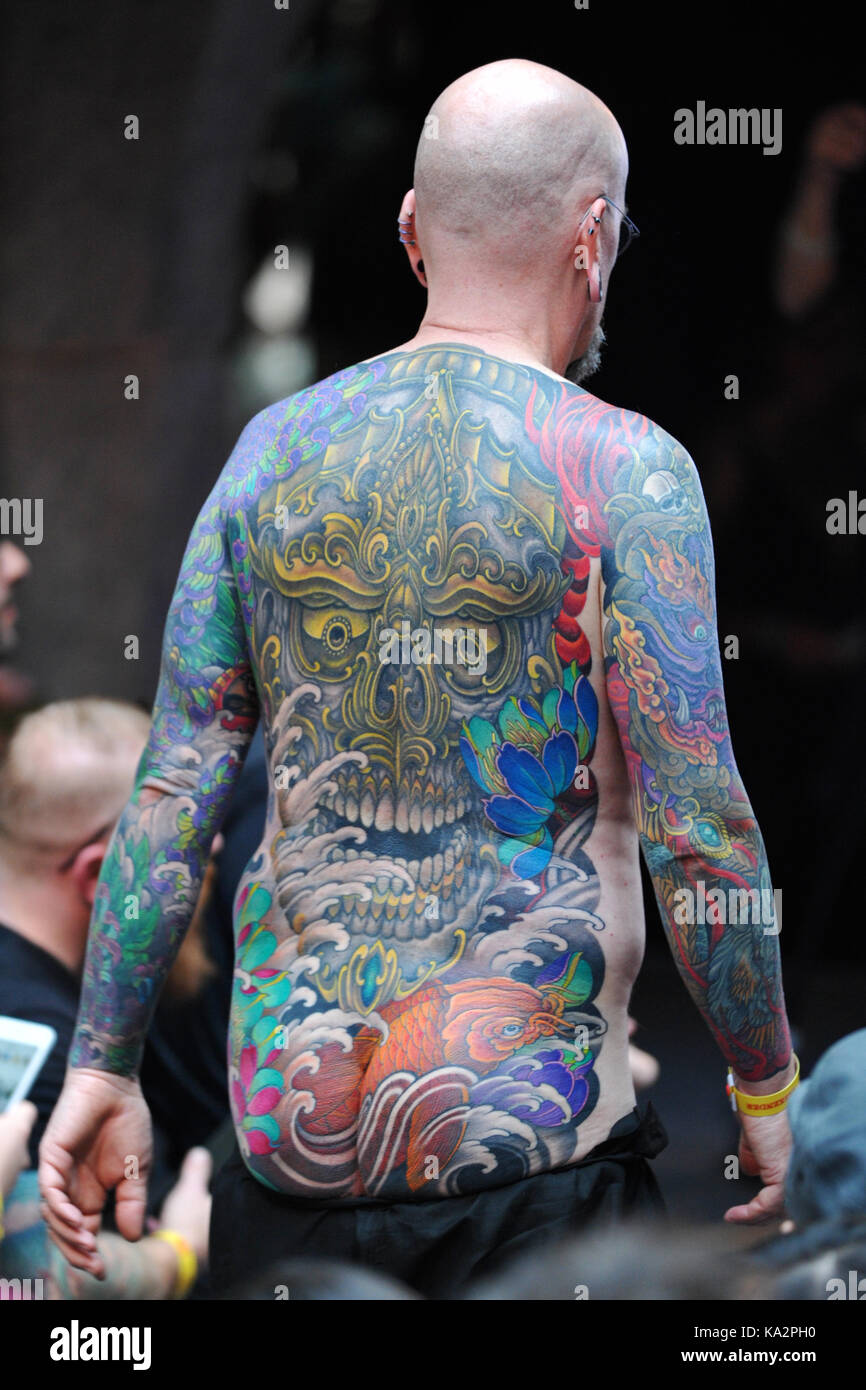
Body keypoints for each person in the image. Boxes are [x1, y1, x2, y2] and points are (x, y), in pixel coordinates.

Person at [40, 59, 797, 1298]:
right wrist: (761, 1080)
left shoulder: (269, 453)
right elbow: (699, 827)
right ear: (591, 236)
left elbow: (174, 783)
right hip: (530, 1171)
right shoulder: (626, 471)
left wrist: (101, 1065)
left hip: (284, 1170)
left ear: (407, 230)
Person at [0, 698, 212, 1295]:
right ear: (99, 876)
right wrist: (182, 1251)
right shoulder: (67, 1065)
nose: (211, 856)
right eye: (187, 848)